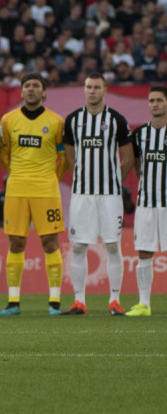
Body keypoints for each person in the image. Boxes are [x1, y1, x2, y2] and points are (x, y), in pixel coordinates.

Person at [0, 72, 67, 315]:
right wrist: (17, 173)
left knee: (50, 242)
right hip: (17, 189)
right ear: (21, 91)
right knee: (16, 242)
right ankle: (13, 302)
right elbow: (4, 154)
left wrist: (49, 179)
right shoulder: (8, 120)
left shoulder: (57, 122)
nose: (31, 89)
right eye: (27, 86)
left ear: (43, 92)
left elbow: (64, 157)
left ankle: (54, 302)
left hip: (46, 190)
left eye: (36, 86)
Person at [62, 73, 133, 315]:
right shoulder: (73, 120)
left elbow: (128, 158)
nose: (92, 91)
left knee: (113, 245)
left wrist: (113, 182)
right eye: (89, 87)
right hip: (82, 195)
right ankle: (79, 301)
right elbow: (69, 155)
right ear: (84, 89)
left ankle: (114, 301)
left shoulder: (117, 120)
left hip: (109, 196)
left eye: (96, 87)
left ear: (104, 90)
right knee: (79, 246)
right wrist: (81, 177)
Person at [127, 85, 167, 316]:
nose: (155, 104)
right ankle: (144, 304)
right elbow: (136, 164)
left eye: (159, 100)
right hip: (147, 202)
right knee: (144, 251)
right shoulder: (140, 134)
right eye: (152, 100)